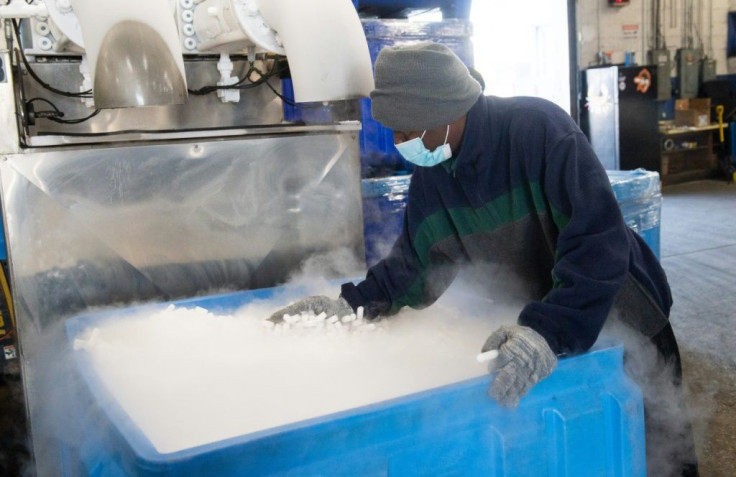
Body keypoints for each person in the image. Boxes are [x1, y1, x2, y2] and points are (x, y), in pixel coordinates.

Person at [270, 42, 698, 476]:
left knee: (660, 448)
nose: (399, 143)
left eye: (405, 130)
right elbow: (415, 264)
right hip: (545, 328)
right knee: (596, 454)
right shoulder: (434, 176)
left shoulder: (540, 131)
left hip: (621, 311)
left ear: (446, 110)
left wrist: (551, 331)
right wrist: (353, 306)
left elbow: (598, 243)